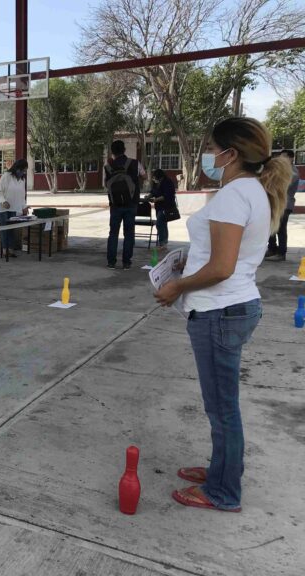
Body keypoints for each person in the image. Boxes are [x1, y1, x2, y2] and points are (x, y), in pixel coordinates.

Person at [154, 117, 290, 512]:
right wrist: (185, 263)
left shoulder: (234, 195)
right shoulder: (251, 191)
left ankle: (223, 492)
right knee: (222, 403)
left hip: (220, 311)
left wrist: (176, 286)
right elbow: (221, 258)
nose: (210, 157)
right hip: (232, 306)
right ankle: (223, 468)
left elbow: (222, 267)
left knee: (222, 406)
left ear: (231, 154)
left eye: (214, 150)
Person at [104, 140, 142, 269]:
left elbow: (106, 185)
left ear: (112, 152)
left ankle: (111, 262)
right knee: (129, 233)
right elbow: (145, 176)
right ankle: (126, 263)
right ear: (124, 149)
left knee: (113, 233)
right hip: (131, 204)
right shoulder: (134, 163)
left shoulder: (108, 167)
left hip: (115, 205)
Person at [265, 149, 299, 262]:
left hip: (285, 204)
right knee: (272, 226)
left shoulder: (293, 172)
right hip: (276, 202)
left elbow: (280, 185)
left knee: (281, 228)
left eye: (284, 157)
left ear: (291, 158)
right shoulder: (282, 170)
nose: (281, 159)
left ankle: (281, 253)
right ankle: (272, 249)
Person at [0, 159, 29, 257]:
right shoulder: (6, 176)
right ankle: (5, 250)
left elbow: (22, 195)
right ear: (17, 168)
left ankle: (11, 249)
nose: (23, 172)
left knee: (12, 229)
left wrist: (24, 207)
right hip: (3, 207)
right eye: (22, 170)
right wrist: (3, 201)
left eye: (24, 171)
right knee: (5, 229)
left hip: (14, 207)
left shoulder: (22, 180)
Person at [146, 169, 177, 251]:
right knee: (163, 224)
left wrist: (155, 200)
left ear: (160, 177)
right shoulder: (156, 183)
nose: (154, 179)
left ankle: (162, 243)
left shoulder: (167, 182)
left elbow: (167, 196)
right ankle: (164, 243)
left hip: (166, 206)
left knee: (159, 223)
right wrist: (148, 197)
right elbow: (153, 192)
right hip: (158, 207)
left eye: (155, 177)